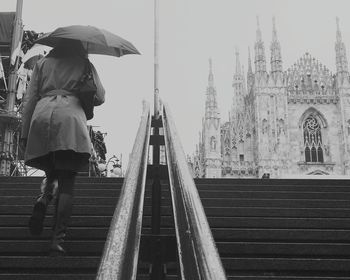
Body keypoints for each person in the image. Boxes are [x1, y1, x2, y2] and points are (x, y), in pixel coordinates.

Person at [20, 39, 105, 256]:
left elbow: (30, 98)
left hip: (42, 117)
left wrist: (24, 131)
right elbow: (100, 96)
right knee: (67, 182)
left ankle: (43, 199)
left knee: (51, 172)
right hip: (70, 121)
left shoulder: (43, 63)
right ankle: (57, 239)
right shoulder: (83, 63)